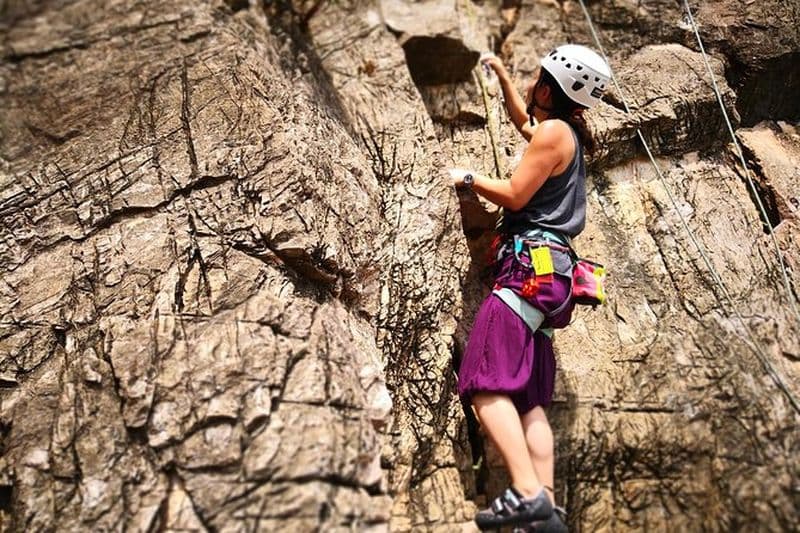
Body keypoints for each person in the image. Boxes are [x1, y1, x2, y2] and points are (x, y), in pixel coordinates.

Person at [450, 45, 611, 532]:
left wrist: (470, 178)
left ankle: (525, 495)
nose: (530, 86)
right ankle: (547, 510)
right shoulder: (565, 135)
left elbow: (517, 194)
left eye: (534, 79)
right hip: (554, 279)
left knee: (483, 384)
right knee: (528, 403)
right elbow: (524, 123)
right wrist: (500, 73)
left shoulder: (555, 135)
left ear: (547, 88)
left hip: (527, 270)